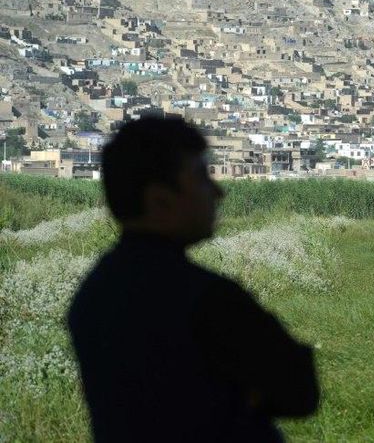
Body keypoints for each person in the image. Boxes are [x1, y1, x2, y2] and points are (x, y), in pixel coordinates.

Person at [67, 117, 319, 442]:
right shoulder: (206, 298)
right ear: (160, 200)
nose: (217, 192)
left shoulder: (92, 295)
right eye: (201, 178)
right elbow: (299, 393)